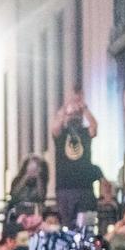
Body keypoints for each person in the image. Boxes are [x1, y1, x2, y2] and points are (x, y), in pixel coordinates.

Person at [50, 89, 102, 225]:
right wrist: (67, 104)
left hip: (85, 188)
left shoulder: (85, 132)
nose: (73, 116)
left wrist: (84, 108)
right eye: (70, 114)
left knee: (86, 225)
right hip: (65, 188)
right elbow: (55, 127)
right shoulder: (61, 135)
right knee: (66, 225)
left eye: (76, 114)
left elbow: (94, 126)